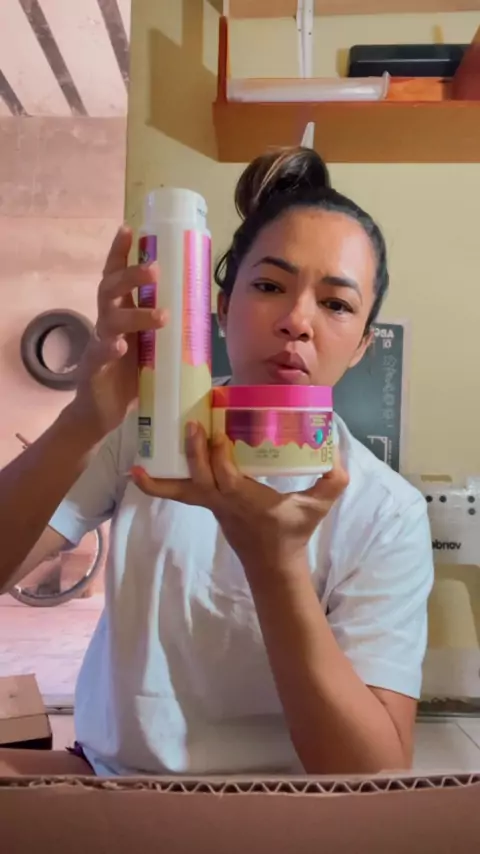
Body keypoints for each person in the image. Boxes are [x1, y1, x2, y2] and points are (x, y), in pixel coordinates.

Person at [0, 147, 433, 778]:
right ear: (223, 309)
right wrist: (82, 422)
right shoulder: (147, 434)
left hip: (285, 811)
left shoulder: (386, 511)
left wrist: (275, 564)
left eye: (336, 304)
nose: (297, 322)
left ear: (365, 344)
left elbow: (373, 773)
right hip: (108, 782)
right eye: (269, 287)